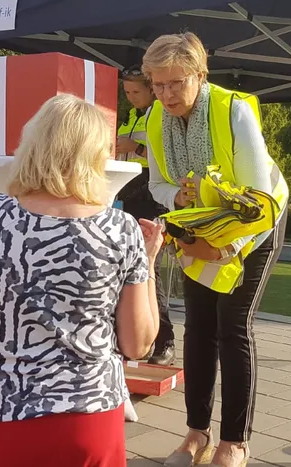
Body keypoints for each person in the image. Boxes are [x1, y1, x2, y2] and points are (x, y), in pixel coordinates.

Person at [0, 94, 164, 467]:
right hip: (89, 416)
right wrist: (147, 263)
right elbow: (138, 344)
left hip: (0, 410)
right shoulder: (120, 229)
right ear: (96, 155)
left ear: (33, 144)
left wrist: (2, 330)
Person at [142, 33, 289, 467]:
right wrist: (177, 199)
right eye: (158, 84)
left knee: (233, 327)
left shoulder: (233, 110)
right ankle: (196, 433)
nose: (166, 94)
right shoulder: (155, 117)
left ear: (200, 75)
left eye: (176, 83)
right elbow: (156, 184)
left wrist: (225, 249)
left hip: (256, 226)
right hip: (200, 229)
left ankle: (235, 442)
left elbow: (259, 199)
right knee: (199, 328)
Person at [116, 64, 176, 366]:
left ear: (151, 89)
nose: (131, 97)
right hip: (127, 197)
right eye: (127, 92)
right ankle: (136, 336)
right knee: (127, 268)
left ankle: (165, 341)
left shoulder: (162, 114)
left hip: (153, 199)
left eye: (135, 91)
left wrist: (135, 148)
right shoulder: (130, 117)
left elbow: (169, 157)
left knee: (151, 270)